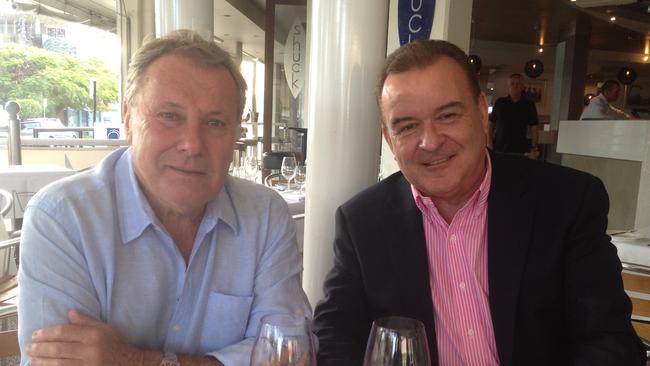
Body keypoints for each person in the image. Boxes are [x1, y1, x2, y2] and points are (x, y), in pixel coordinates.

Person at [313, 39, 644, 366]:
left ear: (481, 113)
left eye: (447, 115)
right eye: (408, 126)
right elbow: (335, 336)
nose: (430, 141)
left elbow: (609, 342)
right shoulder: (362, 222)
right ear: (389, 139)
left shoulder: (567, 202)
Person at [18, 30, 310, 366]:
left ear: (234, 135)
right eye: (169, 116)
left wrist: (136, 361)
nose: (193, 144)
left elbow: (289, 354)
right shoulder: (63, 218)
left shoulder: (265, 214)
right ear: (128, 119)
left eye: (215, 122)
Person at [488, 73, 539, 157]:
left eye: (518, 84)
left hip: (520, 150)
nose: (515, 86)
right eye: (512, 84)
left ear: (522, 86)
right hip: (499, 149)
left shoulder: (529, 105)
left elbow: (534, 128)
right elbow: (490, 124)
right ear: (508, 86)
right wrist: (489, 143)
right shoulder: (500, 102)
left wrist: (534, 148)